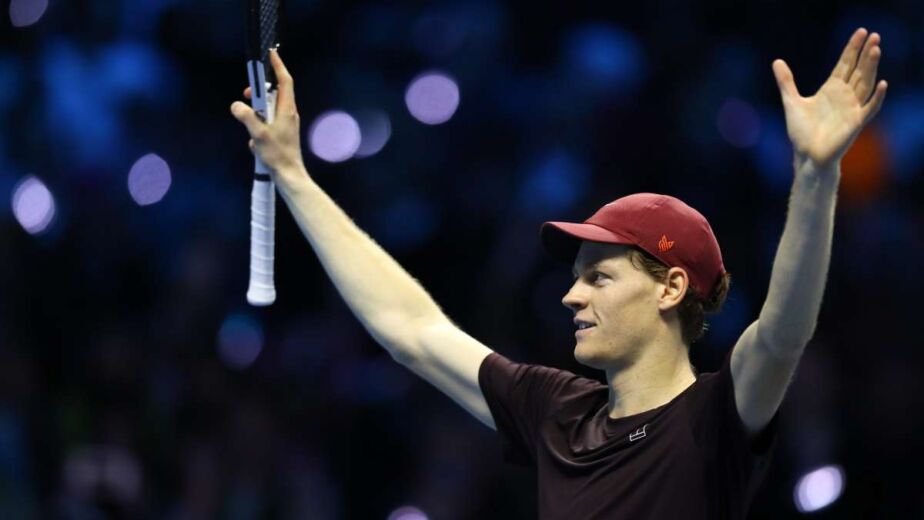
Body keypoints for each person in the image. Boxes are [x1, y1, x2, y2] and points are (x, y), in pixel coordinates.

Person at [231, 28, 887, 519]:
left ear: (670, 288)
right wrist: (293, 175)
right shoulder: (554, 411)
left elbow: (783, 332)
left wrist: (815, 174)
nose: (571, 295)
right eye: (575, 277)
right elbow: (411, 328)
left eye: (599, 277)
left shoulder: (713, 418)